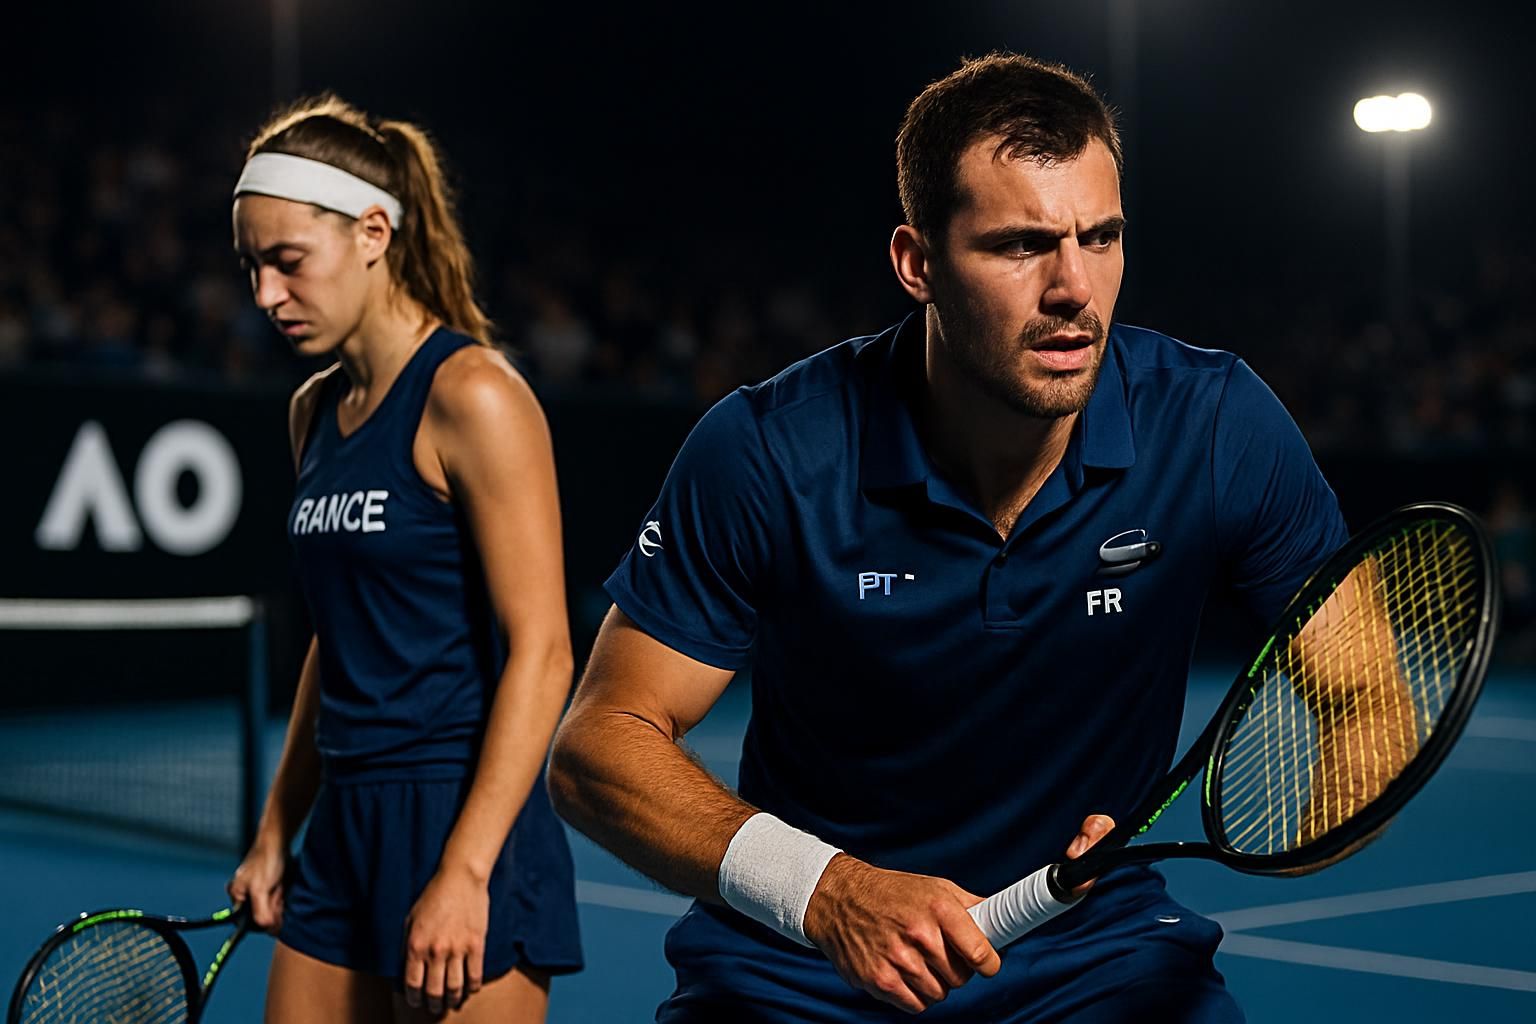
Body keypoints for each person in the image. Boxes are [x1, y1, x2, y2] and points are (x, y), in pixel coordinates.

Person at [549, 52, 1349, 1022]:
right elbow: (600, 744)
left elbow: (1368, 692)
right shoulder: (768, 449)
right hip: (801, 967)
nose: (1074, 287)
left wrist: (1306, 821)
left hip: (1098, 955)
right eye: (1020, 245)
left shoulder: (1216, 424)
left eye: (1101, 238)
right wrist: (828, 891)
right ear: (917, 263)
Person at [226, 96, 582, 1022]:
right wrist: (275, 829)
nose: (266, 294)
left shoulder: (475, 395)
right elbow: (335, 637)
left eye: (288, 260)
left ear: (374, 233)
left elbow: (544, 651)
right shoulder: (312, 412)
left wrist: (465, 871)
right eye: (252, 266)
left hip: (462, 815)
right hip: (341, 827)